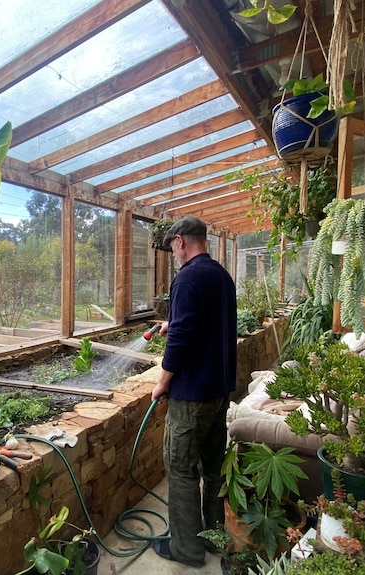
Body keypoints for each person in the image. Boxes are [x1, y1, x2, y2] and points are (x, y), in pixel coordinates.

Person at [151, 216, 237, 567]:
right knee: (214, 466)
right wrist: (173, 321)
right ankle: (215, 538)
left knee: (181, 469)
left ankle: (186, 549)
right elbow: (208, 321)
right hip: (219, 390)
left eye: (172, 244)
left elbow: (183, 337)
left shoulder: (186, 278)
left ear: (182, 241)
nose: (172, 251)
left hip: (192, 394)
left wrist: (163, 380)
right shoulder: (221, 276)